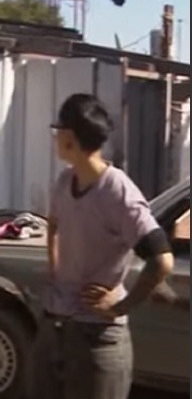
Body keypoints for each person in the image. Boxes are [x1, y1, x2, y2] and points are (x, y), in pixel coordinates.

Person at [27, 93, 175, 399]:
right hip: (56, 329)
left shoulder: (117, 191)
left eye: (58, 133)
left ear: (68, 138)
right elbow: (53, 223)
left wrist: (120, 306)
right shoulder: (65, 181)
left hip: (97, 338)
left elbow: (161, 260)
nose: (55, 140)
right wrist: (56, 269)